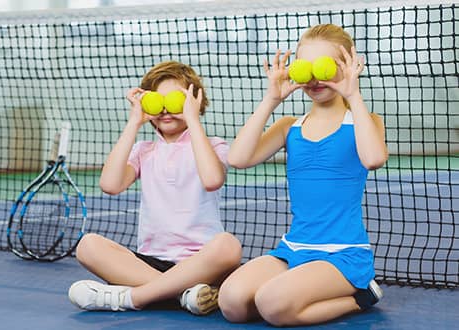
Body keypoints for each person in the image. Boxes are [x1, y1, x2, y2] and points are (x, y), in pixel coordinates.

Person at [218, 24, 388, 326]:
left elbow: (373, 159)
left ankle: (360, 297)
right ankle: (291, 295)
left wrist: (354, 93)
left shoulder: (365, 120)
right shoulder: (288, 127)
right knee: (231, 303)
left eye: (325, 67)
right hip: (293, 249)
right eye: (305, 67)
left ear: (347, 65)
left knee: (272, 304)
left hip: (343, 255)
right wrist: (272, 98)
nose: (314, 78)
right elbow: (238, 158)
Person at [68, 61, 242, 315]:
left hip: (201, 263)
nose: (165, 111)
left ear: (194, 102)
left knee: (228, 246)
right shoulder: (143, 150)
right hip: (149, 262)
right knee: (87, 245)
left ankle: (134, 296)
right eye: (157, 102)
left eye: (174, 101)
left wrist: (192, 119)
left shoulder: (213, 145)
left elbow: (212, 179)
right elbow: (110, 185)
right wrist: (134, 123)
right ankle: (183, 295)